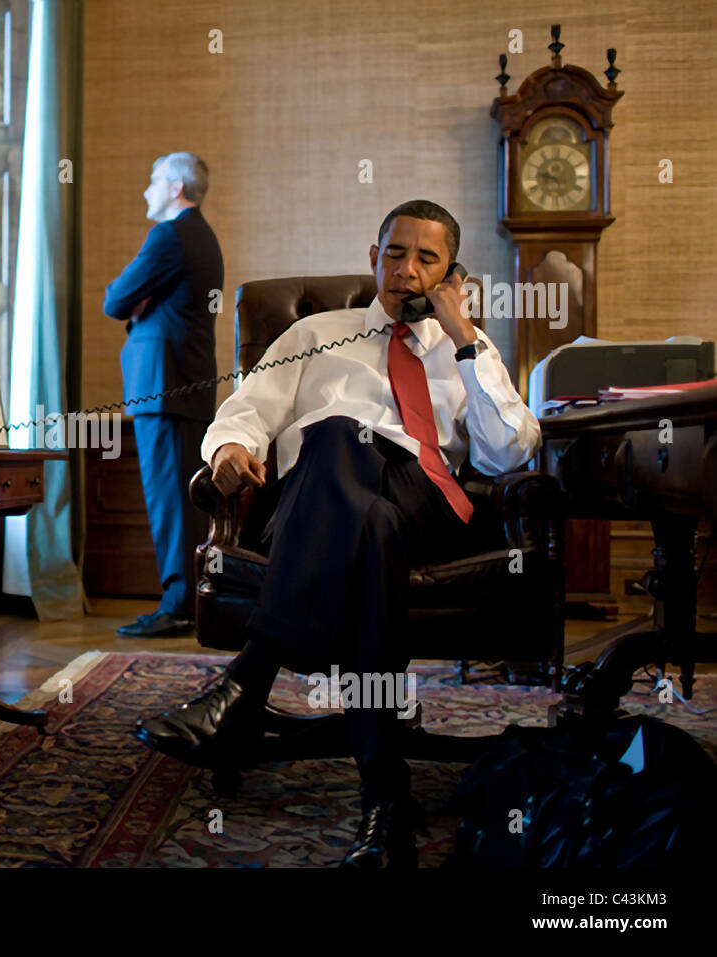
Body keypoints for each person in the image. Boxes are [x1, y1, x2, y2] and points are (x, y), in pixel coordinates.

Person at [133, 200, 542, 867]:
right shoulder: (315, 332)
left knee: (348, 444)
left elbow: (509, 453)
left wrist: (464, 338)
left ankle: (247, 682)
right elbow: (244, 412)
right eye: (394, 253)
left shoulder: (471, 351)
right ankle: (387, 804)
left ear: (450, 274)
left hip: (427, 502)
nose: (406, 270)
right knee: (349, 474)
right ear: (373, 258)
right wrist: (230, 450)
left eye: (426, 258)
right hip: (315, 504)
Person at [103, 152, 224, 637]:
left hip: (166, 389)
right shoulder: (201, 236)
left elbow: (114, 300)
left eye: (154, 181)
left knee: (172, 502)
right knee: (182, 501)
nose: (146, 191)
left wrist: (136, 304)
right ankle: (185, 602)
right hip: (183, 388)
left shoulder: (170, 235)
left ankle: (178, 606)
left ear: (176, 187)